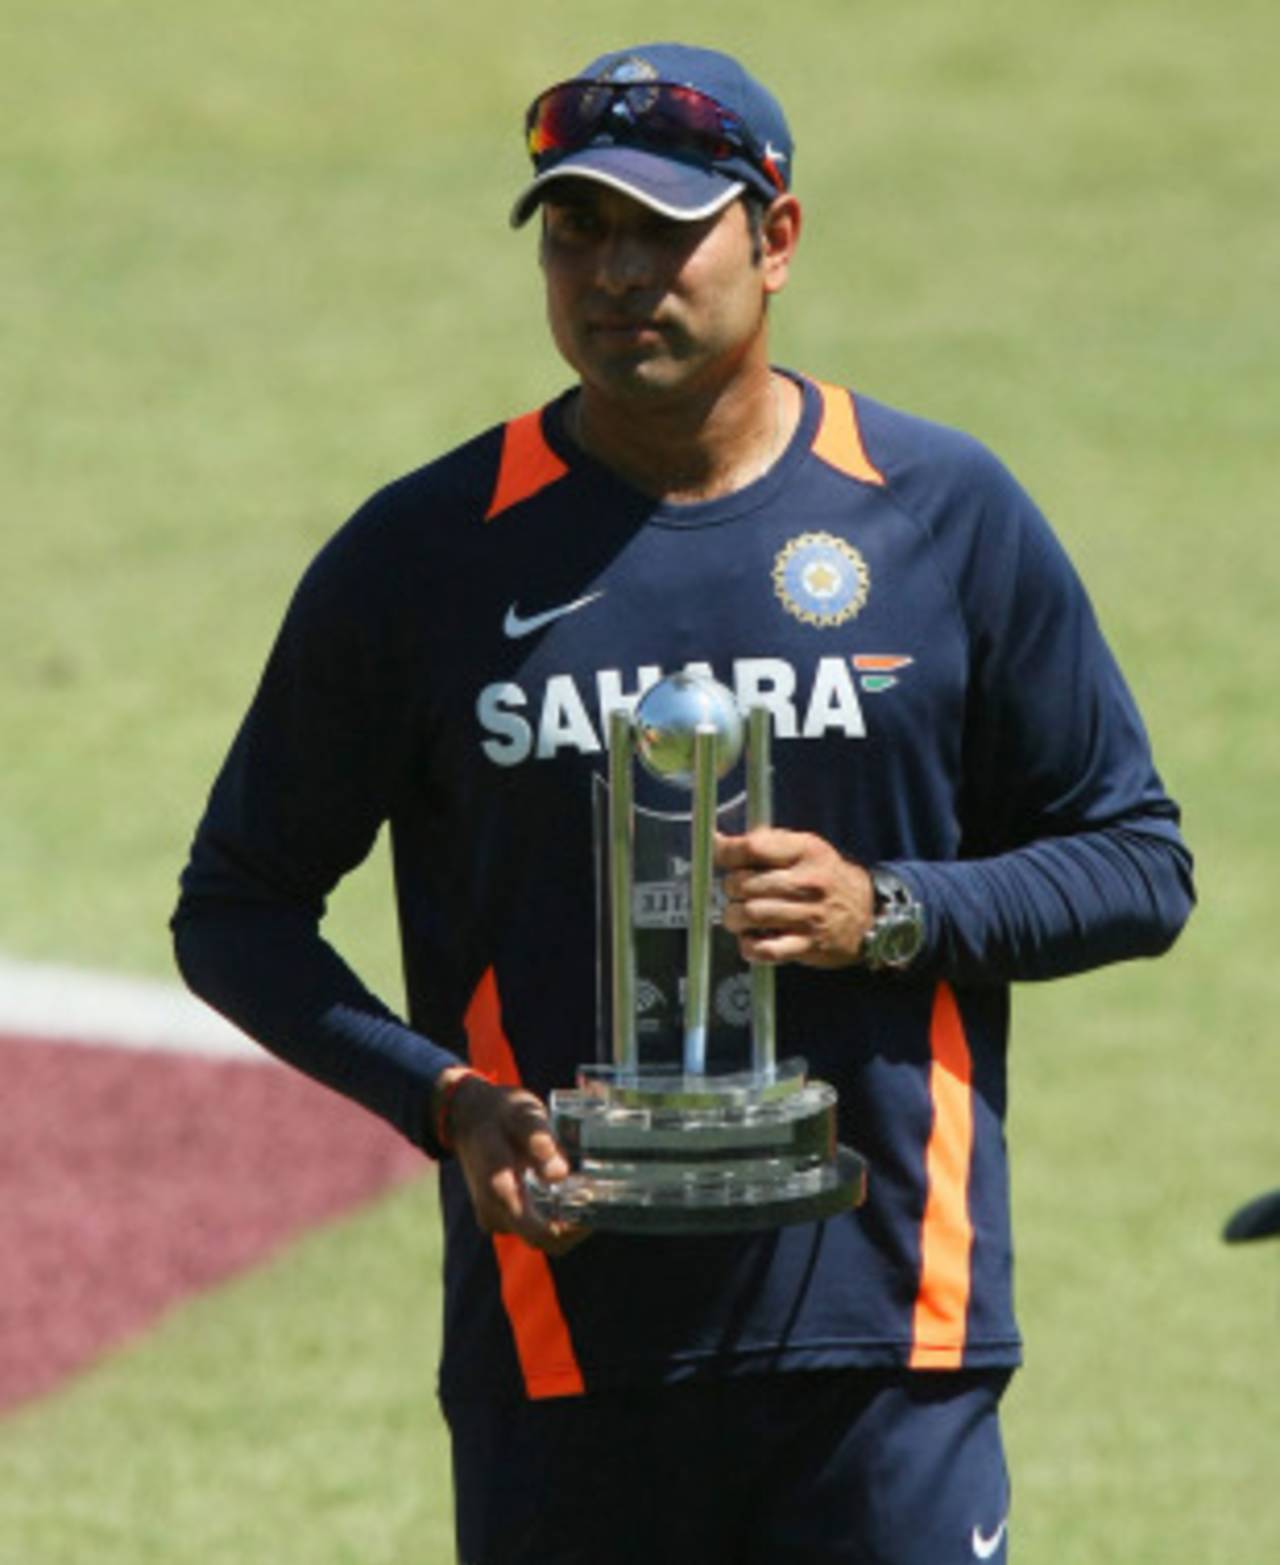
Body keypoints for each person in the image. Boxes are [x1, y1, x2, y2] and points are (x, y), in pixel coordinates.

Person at [172, 41, 1195, 1564]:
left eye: (665, 229)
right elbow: (235, 910)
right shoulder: (426, 555)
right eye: (578, 230)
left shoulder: (940, 514)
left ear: (775, 240)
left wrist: (891, 909)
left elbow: (1138, 861)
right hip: (561, 1350)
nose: (614, 272)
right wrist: (441, 1099)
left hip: (884, 1338)